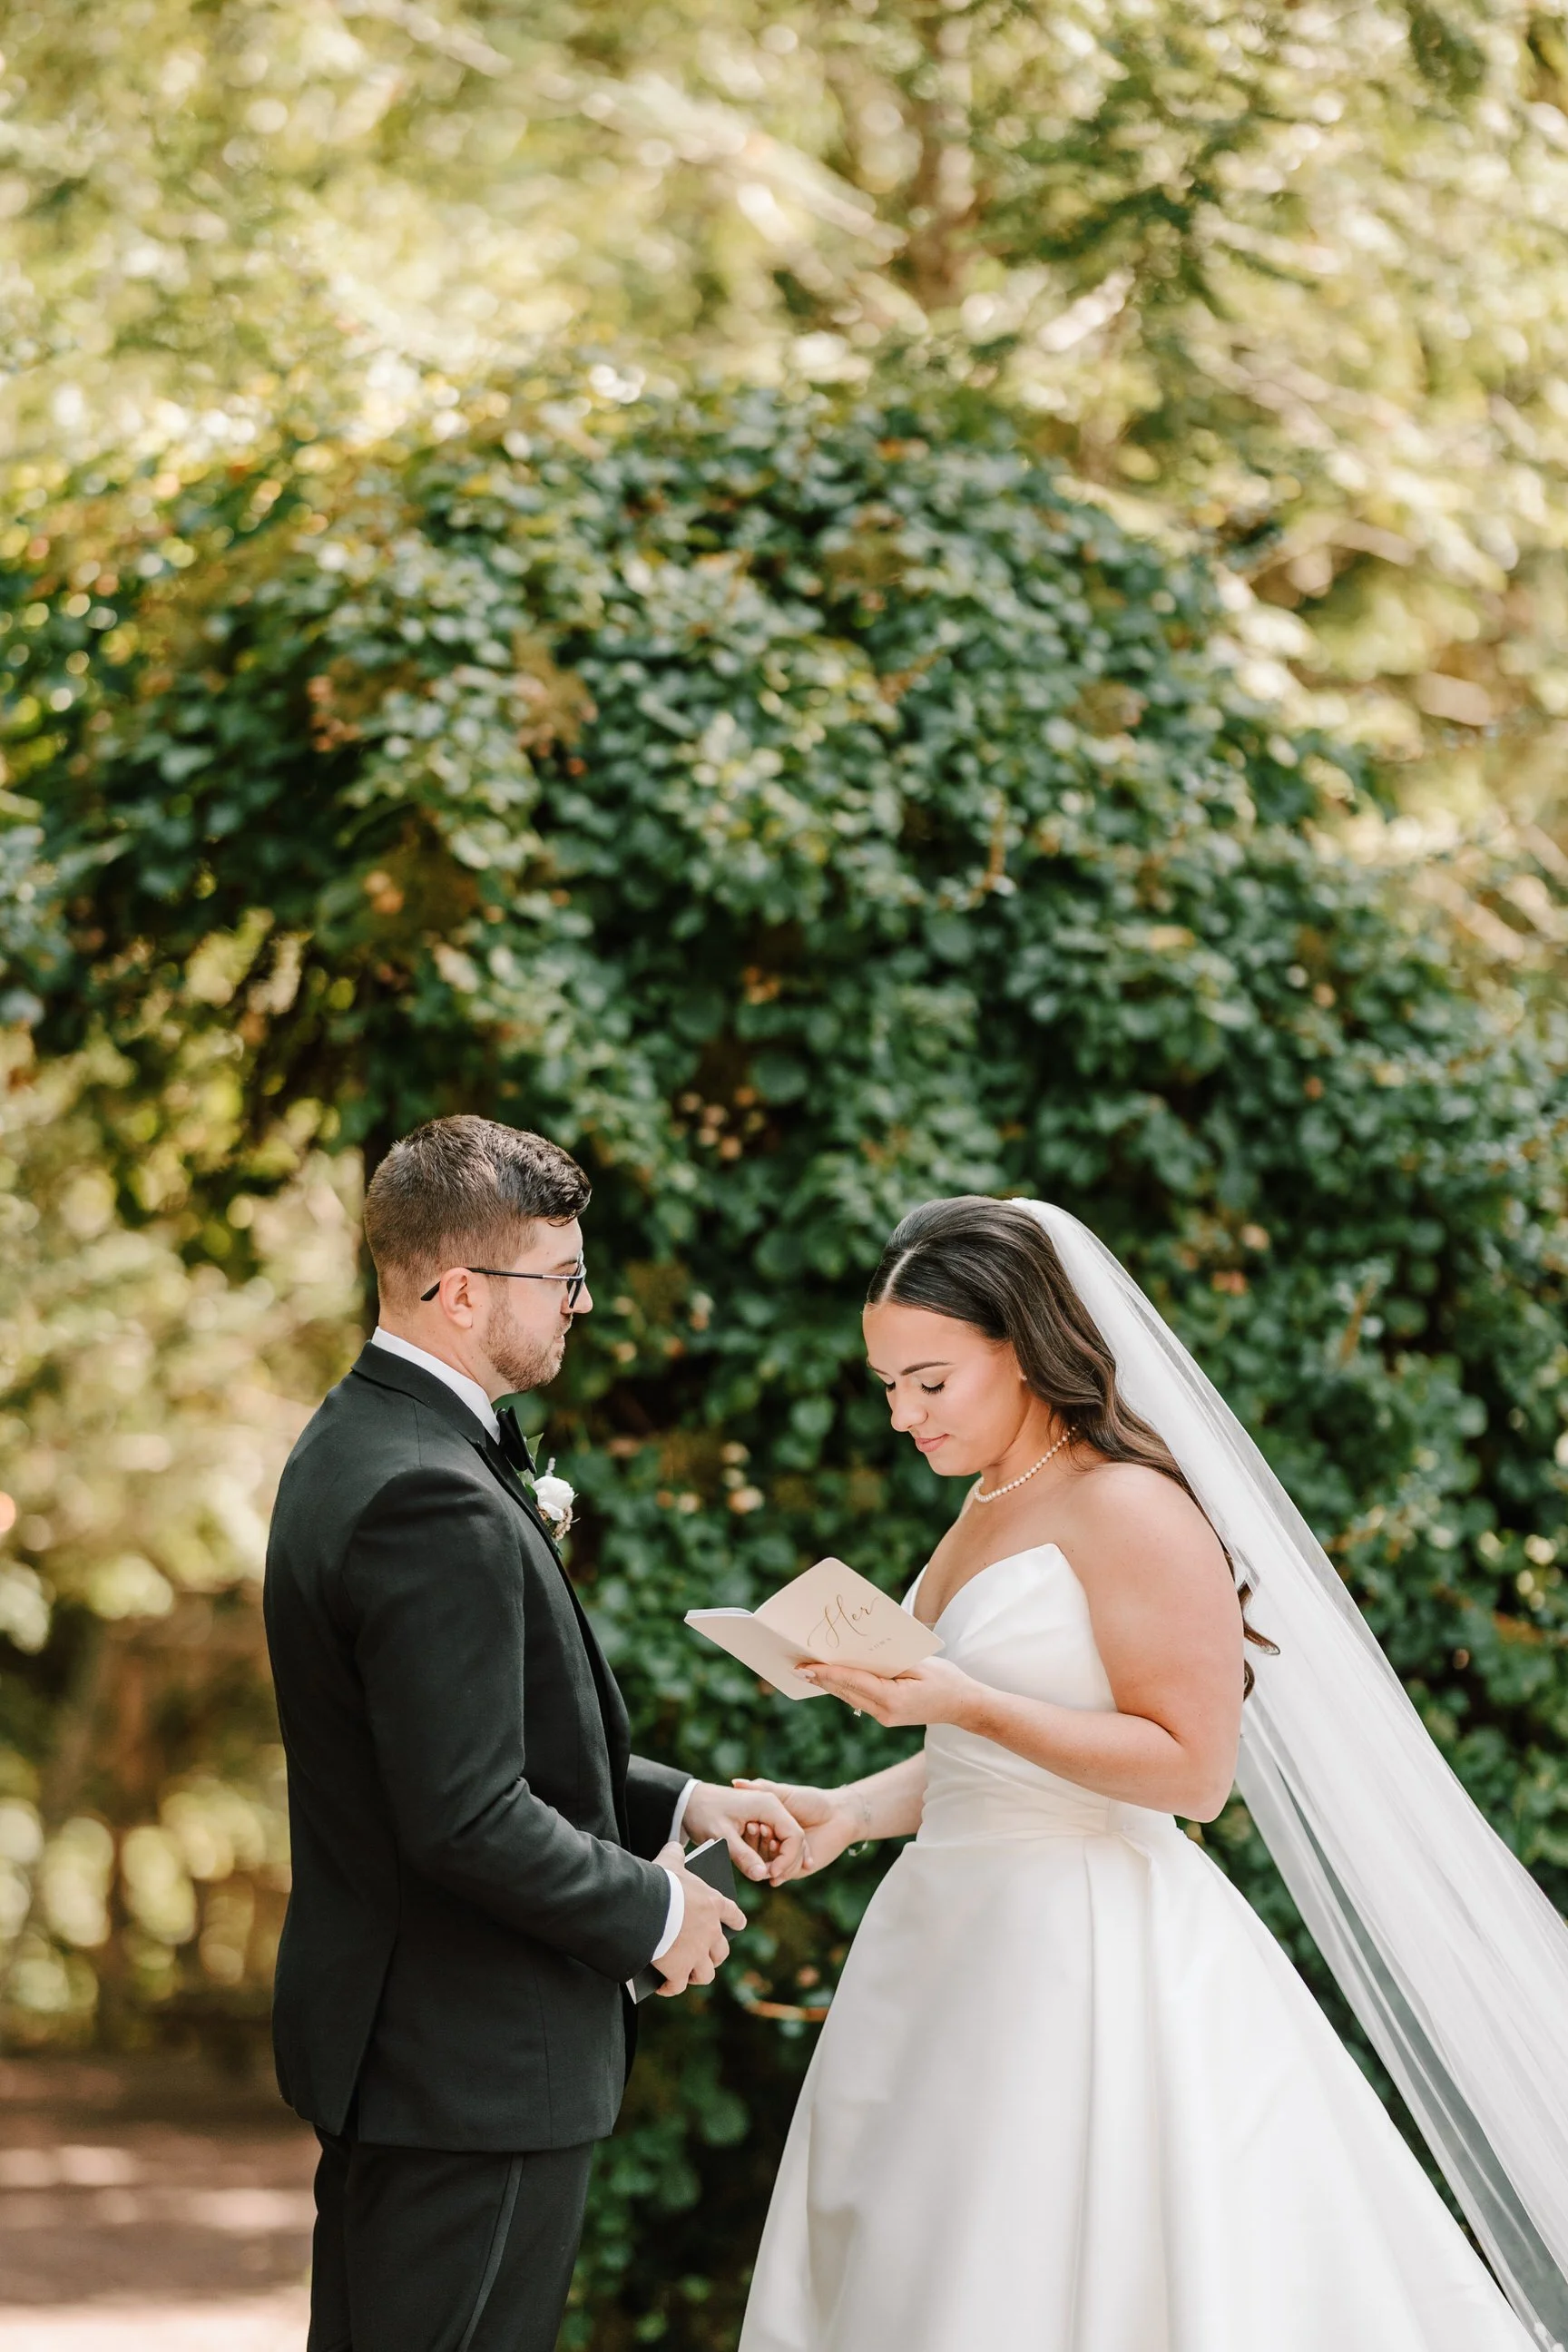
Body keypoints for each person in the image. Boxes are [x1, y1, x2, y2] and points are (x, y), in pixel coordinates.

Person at [736, 1195, 1568, 2352]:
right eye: (888, 1385)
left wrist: (965, 1698)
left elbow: (1193, 1772)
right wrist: (848, 1813)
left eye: (929, 1382)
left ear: (1020, 1349)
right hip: (945, 1940)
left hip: (1086, 1946)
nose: (901, 1415)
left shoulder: (1129, 1504)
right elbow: (988, 1761)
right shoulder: (986, 1501)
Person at [264, 1115, 806, 2352]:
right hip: (472, 2067)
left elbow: (461, 1747)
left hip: (419, 2057)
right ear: (459, 1291)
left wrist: (678, 1808)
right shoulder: (427, 1495)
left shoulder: (368, 1443)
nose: (583, 1302)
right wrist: (656, 1912)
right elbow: (462, 1813)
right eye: (559, 1278)